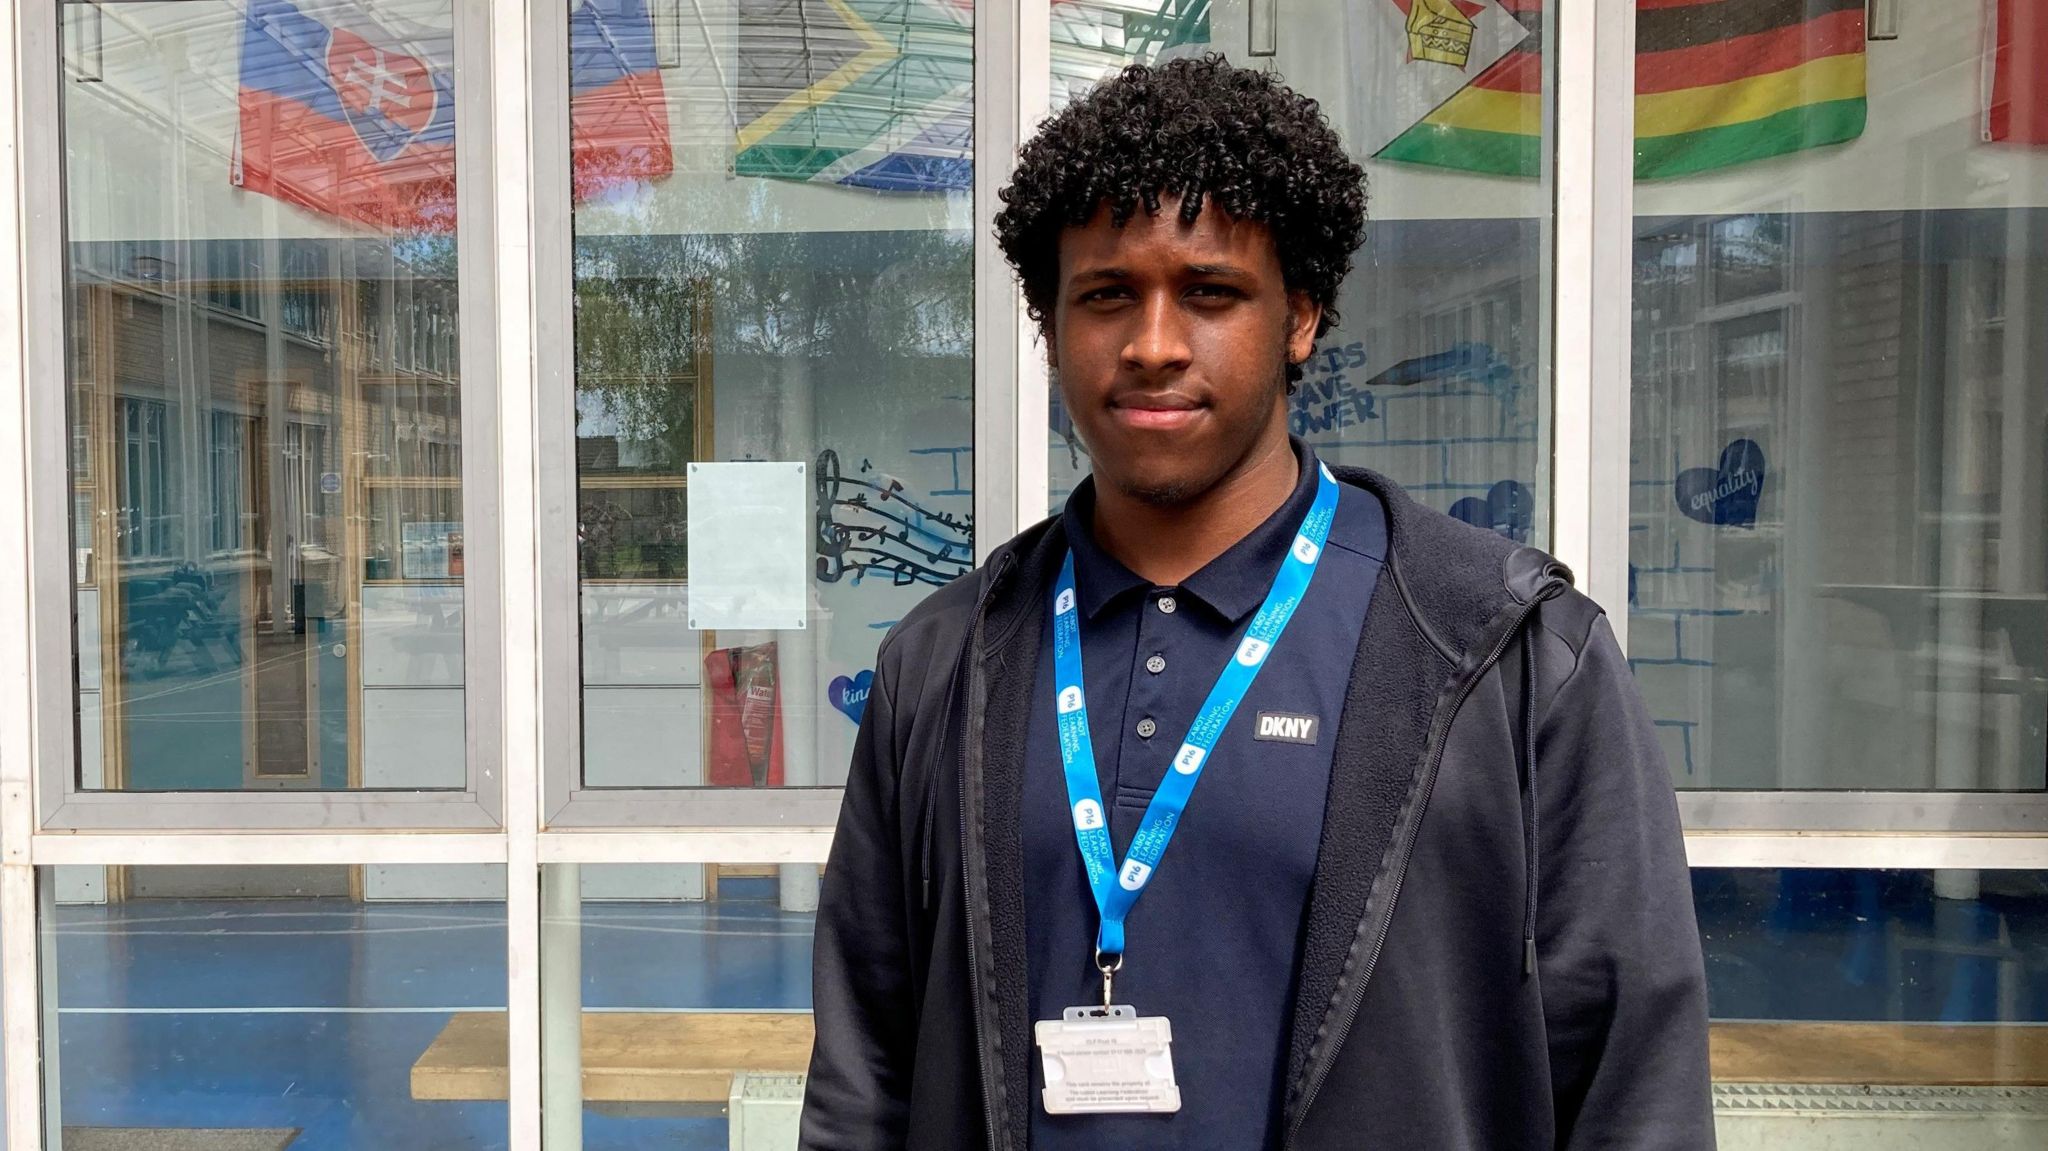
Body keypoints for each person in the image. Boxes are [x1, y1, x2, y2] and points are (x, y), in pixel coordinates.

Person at [801, 56, 1712, 1151]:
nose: (1151, 344)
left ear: (1300, 318)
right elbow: (864, 1077)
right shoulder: (945, 658)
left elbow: (1632, 1083)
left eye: (1209, 291)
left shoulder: (1506, 650)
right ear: (1049, 328)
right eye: (1104, 295)